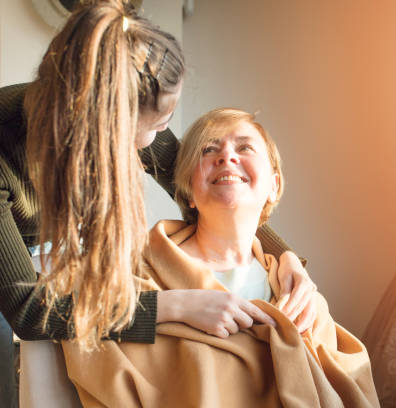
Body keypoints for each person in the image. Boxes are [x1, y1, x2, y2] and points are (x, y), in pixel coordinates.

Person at [0, 0, 316, 403]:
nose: (162, 139)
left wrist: (284, 254)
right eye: (160, 125)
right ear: (109, 128)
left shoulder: (126, 92)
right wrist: (172, 306)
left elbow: (198, 193)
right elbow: (28, 312)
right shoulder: (11, 145)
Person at [62, 108, 379, 407]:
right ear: (187, 191)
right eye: (208, 150)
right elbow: (76, 326)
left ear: (274, 185)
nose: (227, 156)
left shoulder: (301, 299)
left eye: (245, 148)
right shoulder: (133, 273)